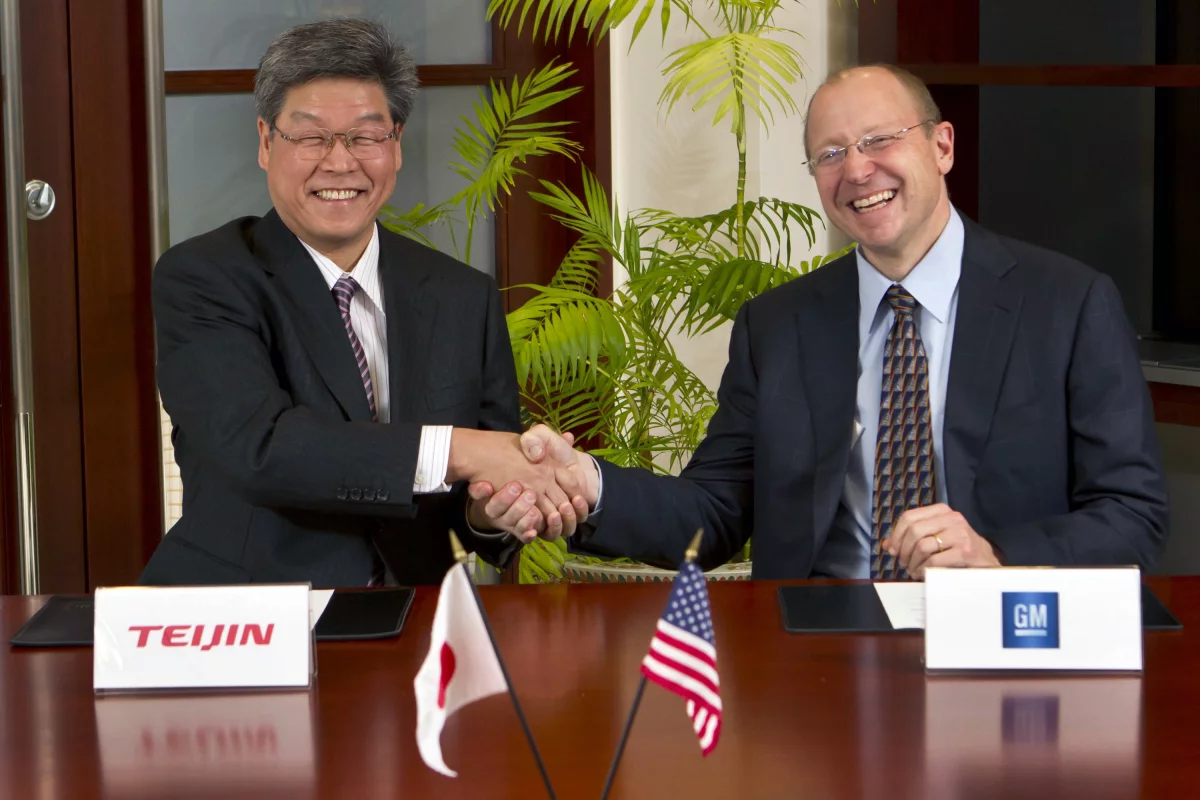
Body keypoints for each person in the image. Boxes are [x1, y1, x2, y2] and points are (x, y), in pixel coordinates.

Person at [489, 63, 1169, 580]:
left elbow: (1133, 516)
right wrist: (591, 483)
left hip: (1000, 642)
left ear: (942, 146)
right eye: (831, 154)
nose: (857, 170)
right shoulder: (778, 325)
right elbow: (713, 513)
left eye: (879, 140)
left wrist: (994, 554)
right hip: (824, 658)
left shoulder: (1068, 304)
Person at [141, 19, 586, 588]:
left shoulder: (461, 295)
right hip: (250, 620)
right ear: (265, 142)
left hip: (417, 620)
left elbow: (474, 500)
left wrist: (493, 510)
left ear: (395, 146)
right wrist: (464, 451)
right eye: (310, 136)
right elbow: (262, 448)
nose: (340, 162)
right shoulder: (205, 277)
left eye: (365, 135)